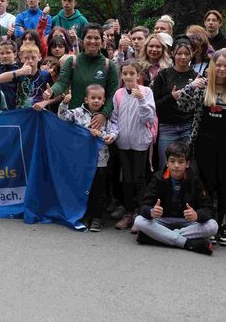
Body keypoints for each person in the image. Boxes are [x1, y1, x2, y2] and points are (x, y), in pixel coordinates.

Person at [177, 50, 226, 246]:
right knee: (206, 187)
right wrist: (191, 86)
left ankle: (224, 227)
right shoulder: (202, 89)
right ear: (212, 68)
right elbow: (183, 105)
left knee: (224, 187)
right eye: (218, 65)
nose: (222, 69)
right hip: (203, 145)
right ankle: (208, 225)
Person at [131, 141, 216, 255]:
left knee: (213, 226)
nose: (176, 165)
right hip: (163, 220)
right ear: (167, 163)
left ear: (187, 164)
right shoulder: (157, 178)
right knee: (139, 221)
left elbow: (208, 208)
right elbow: (143, 206)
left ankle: (158, 237)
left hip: (187, 223)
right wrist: (151, 212)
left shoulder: (195, 179)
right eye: (172, 161)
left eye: (180, 162)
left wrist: (197, 215)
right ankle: (188, 243)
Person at [58, 84, 117, 232]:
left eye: (99, 98)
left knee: (98, 190)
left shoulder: (106, 117)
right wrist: (64, 102)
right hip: (82, 160)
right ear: (86, 99)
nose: (96, 101)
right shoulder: (77, 113)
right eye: (93, 98)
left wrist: (101, 135)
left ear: (104, 101)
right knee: (84, 189)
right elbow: (62, 117)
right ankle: (83, 214)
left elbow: (112, 134)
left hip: (100, 161)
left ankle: (97, 218)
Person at [109, 61, 157, 231]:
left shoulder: (147, 92)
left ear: (139, 75)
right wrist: (113, 134)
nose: (128, 77)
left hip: (140, 142)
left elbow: (149, 118)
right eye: (125, 73)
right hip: (123, 143)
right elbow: (114, 119)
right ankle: (129, 212)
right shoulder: (118, 94)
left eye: (132, 73)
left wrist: (141, 100)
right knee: (127, 179)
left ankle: (141, 214)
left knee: (139, 178)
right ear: (121, 75)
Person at [50, 23, 120, 135]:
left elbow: (113, 94)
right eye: (89, 37)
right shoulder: (72, 62)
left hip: (98, 124)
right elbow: (62, 83)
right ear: (83, 40)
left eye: (96, 38)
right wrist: (52, 91)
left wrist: (104, 114)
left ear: (102, 41)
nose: (92, 41)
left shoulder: (109, 65)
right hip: (74, 121)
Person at [150, 38, 198, 171]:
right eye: (179, 53)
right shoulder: (163, 75)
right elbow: (154, 104)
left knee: (187, 167)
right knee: (165, 166)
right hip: (167, 127)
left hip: (187, 126)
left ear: (192, 54)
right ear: (173, 54)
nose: (183, 57)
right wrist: (171, 98)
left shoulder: (196, 76)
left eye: (186, 54)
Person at [0, 43, 52, 109]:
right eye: (26, 58)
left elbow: (58, 96)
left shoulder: (45, 74)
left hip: (38, 112)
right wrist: (20, 71)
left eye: (33, 57)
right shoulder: (19, 73)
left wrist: (46, 101)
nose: (30, 61)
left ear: (39, 57)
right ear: (21, 58)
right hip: (20, 112)